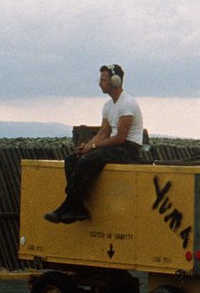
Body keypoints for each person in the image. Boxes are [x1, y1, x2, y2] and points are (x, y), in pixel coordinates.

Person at [45, 63, 145, 223]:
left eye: (104, 80)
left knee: (87, 161)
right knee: (73, 159)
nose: (100, 83)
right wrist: (86, 146)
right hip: (116, 146)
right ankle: (77, 206)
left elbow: (120, 138)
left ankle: (68, 205)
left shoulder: (127, 104)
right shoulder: (108, 106)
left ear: (115, 81)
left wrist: (93, 147)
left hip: (128, 149)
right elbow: (103, 132)